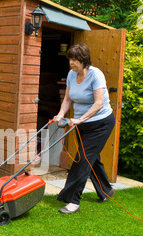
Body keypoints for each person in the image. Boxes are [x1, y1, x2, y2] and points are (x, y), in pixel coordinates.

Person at [53, 43, 115, 214]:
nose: (71, 63)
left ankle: (73, 201)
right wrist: (60, 114)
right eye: (70, 60)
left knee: (82, 159)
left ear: (83, 60)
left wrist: (80, 119)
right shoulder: (72, 75)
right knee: (91, 158)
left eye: (74, 60)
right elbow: (67, 99)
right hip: (82, 124)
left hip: (101, 123)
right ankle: (106, 190)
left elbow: (99, 103)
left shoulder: (96, 75)